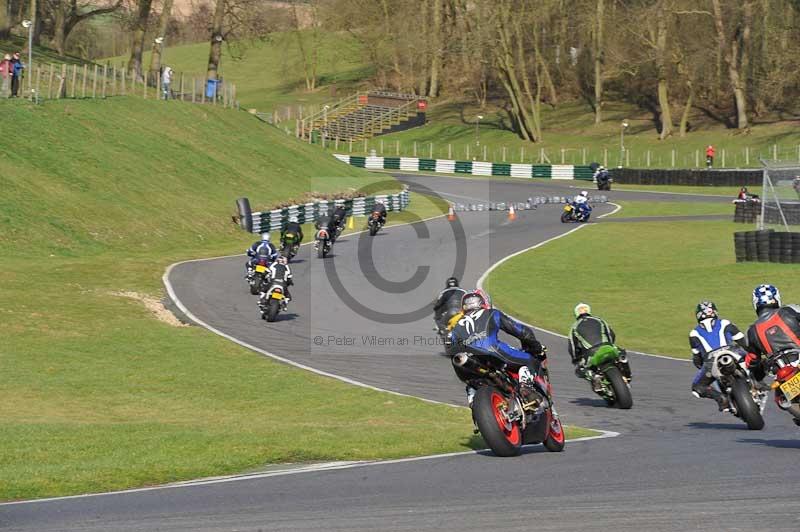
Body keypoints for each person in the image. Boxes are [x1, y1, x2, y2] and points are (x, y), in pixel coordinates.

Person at [448, 289, 547, 403]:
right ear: (484, 301)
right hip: (491, 350)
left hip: (461, 363)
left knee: (471, 383)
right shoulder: (492, 313)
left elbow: (450, 347)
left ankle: (473, 398)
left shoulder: (456, 325)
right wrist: (535, 347)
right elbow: (522, 332)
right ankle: (525, 387)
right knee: (530, 361)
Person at [745, 284, 800, 423]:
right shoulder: (789, 310)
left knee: (781, 399)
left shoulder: (752, 331)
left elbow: (752, 360)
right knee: (781, 399)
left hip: (781, 372)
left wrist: (756, 377)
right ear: (777, 298)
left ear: (755, 304)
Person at [688, 301, 750, 412]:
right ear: (715, 312)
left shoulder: (693, 333)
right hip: (733, 352)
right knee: (755, 360)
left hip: (711, 361)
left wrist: (704, 368)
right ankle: (759, 382)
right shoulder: (725, 322)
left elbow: (697, 359)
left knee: (697, 387)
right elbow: (743, 341)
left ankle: (721, 398)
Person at [568, 303, 624, 380]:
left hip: (591, 353)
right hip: (606, 346)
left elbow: (572, 346)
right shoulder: (600, 320)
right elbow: (611, 334)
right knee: (622, 353)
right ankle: (625, 368)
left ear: (576, 314)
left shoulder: (574, 327)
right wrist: (610, 344)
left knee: (579, 370)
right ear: (589, 311)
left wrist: (576, 360)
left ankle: (593, 376)